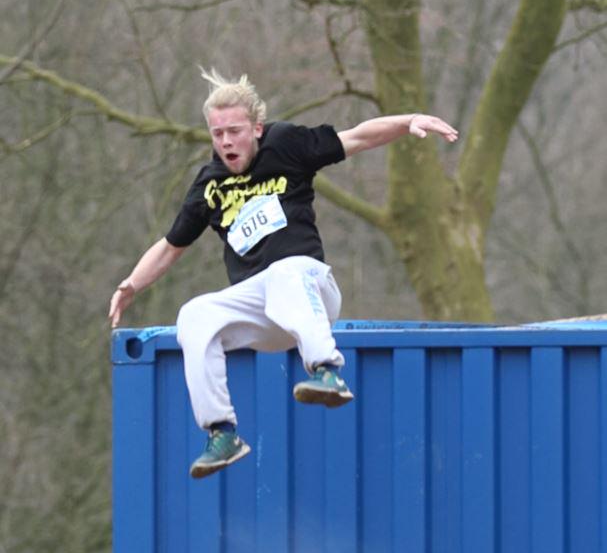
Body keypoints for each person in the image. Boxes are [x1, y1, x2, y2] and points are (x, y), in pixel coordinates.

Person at [109, 68, 458, 478]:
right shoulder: (210, 187)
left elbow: (357, 137)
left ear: (256, 128)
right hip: (263, 313)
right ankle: (222, 432)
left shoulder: (286, 145)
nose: (226, 143)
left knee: (284, 274)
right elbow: (171, 246)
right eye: (217, 134)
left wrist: (407, 122)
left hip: (309, 285)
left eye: (235, 132)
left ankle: (327, 371)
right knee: (194, 314)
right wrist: (131, 283)